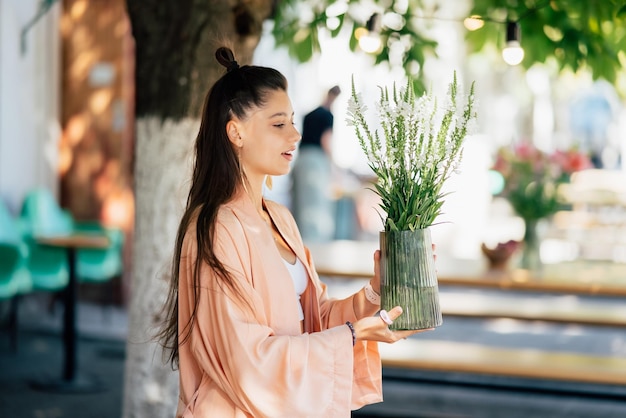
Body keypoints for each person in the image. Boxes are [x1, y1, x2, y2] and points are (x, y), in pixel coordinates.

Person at [158, 46, 432, 418]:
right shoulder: (215, 228)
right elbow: (246, 361)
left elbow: (313, 319)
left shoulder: (280, 217)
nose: (295, 134)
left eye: (292, 121)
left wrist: (375, 291)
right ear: (235, 132)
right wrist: (354, 336)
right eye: (278, 124)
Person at [290, 85, 341, 243]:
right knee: (316, 209)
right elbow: (326, 140)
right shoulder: (327, 116)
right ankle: (315, 248)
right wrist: (333, 165)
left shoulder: (309, 114)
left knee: (300, 205)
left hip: (301, 160)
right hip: (315, 162)